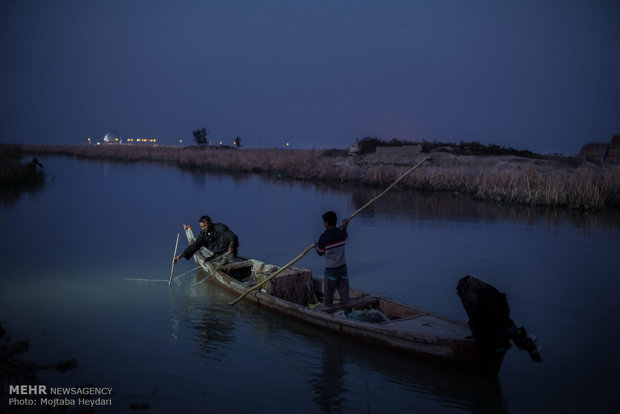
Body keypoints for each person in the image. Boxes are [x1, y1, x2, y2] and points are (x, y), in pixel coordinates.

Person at [316, 211, 350, 305]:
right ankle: (348, 314)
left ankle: (326, 315)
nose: (323, 224)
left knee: (328, 297)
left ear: (326, 223)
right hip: (343, 269)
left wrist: (317, 245)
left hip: (331, 271)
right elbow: (345, 234)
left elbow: (320, 252)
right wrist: (345, 226)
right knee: (345, 296)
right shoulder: (341, 234)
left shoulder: (324, 237)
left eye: (323, 222)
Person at [174, 216, 239, 264]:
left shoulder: (219, 227)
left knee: (225, 236)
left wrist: (231, 246)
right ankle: (216, 256)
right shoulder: (203, 234)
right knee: (199, 243)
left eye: (204, 226)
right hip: (217, 253)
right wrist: (180, 256)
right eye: (201, 227)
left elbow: (231, 236)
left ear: (210, 223)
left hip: (229, 252)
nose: (203, 228)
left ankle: (219, 256)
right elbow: (194, 246)